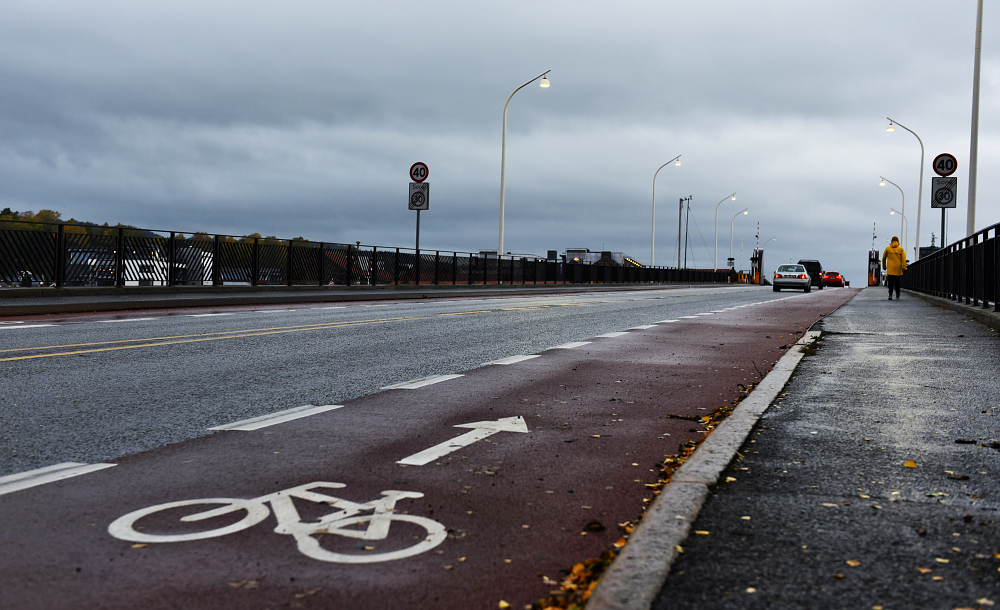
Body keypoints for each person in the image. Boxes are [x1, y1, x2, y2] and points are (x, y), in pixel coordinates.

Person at [882, 236, 907, 300]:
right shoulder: (901, 249)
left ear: (891, 241)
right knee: (897, 282)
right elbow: (903, 259)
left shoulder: (888, 249)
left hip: (890, 268)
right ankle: (897, 294)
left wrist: (884, 267)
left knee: (890, 282)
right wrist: (904, 267)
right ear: (898, 241)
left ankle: (890, 294)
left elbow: (883, 258)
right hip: (898, 268)